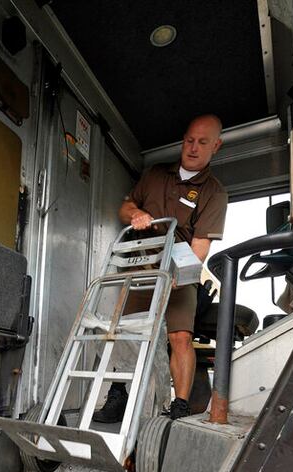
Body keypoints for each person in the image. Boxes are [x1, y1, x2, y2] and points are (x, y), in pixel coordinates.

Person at [94, 114, 228, 422]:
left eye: (203, 143)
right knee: (125, 334)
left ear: (216, 146)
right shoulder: (155, 174)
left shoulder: (214, 191)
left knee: (180, 336)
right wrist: (137, 213)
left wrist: (181, 277)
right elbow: (124, 207)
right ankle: (118, 396)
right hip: (139, 267)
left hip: (179, 268)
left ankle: (179, 405)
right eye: (190, 140)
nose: (193, 148)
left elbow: (201, 245)